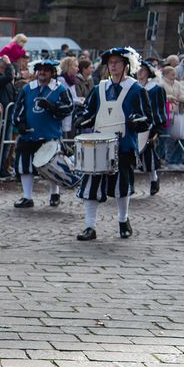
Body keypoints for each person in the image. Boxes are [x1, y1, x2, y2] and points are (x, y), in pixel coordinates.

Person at [75, 48, 151, 241]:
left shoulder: (136, 89)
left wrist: (137, 121)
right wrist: (82, 120)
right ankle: (89, 226)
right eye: (111, 62)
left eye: (117, 62)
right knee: (91, 186)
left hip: (123, 144)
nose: (114, 65)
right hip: (99, 143)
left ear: (126, 65)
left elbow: (147, 119)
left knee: (121, 186)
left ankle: (123, 220)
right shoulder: (100, 88)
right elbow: (89, 112)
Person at [11, 59, 73, 208]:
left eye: (46, 70)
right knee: (26, 165)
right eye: (40, 69)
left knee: (53, 166)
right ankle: (27, 197)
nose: (42, 72)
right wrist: (20, 124)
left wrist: (52, 107)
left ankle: (54, 194)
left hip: (50, 134)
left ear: (52, 72)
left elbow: (68, 108)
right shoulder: (28, 89)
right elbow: (18, 109)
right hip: (29, 135)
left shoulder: (60, 89)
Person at [135, 60, 167, 195]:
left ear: (148, 72)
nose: (139, 72)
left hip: (150, 126)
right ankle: (128, 182)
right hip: (134, 125)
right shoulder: (133, 87)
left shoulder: (156, 89)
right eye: (138, 69)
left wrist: (157, 128)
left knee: (148, 152)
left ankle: (154, 178)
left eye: (142, 70)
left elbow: (160, 109)